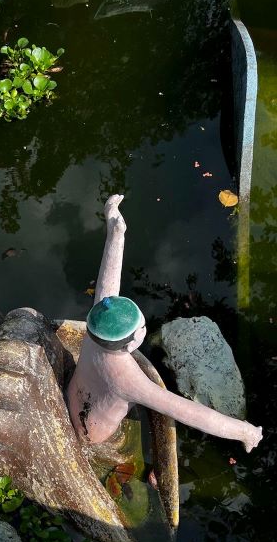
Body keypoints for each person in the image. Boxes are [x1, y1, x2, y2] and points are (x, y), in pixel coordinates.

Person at [66, 194, 263, 453]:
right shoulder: (128, 379)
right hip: (92, 433)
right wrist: (245, 432)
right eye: (141, 329)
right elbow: (189, 412)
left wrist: (115, 229)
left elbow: (107, 279)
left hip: (72, 397)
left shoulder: (98, 325)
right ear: (128, 343)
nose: (144, 330)